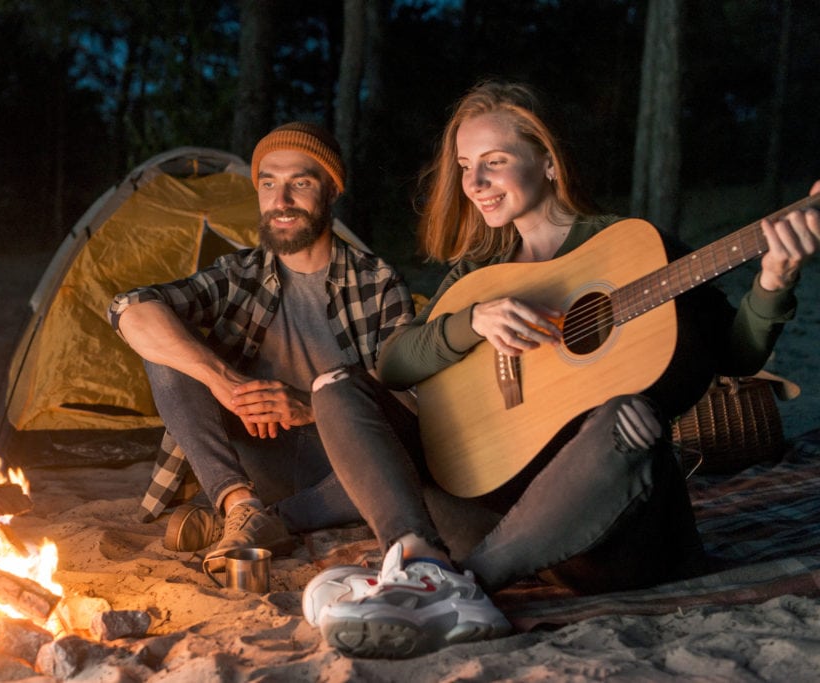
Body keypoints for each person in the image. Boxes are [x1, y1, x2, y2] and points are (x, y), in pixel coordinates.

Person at [302, 80, 820, 658]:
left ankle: (456, 588)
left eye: (494, 163)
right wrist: (471, 322)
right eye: (466, 166)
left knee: (628, 415)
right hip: (493, 519)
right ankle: (419, 562)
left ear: (548, 162)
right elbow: (393, 365)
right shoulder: (482, 274)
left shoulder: (631, 246)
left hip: (609, 531)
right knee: (338, 386)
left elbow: (736, 356)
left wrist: (774, 279)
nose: (474, 184)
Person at [108, 122, 415, 572]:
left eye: (301, 184)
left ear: (331, 190)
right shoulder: (238, 274)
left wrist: (311, 406)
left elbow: (409, 402)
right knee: (167, 351)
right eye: (268, 183)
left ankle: (266, 521)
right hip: (252, 461)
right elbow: (129, 306)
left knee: (404, 465)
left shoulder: (378, 283)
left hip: (340, 468)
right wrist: (224, 380)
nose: (281, 201)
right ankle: (238, 504)